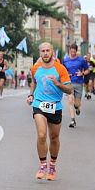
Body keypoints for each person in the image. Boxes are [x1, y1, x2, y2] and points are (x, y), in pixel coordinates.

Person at [26, 42, 72, 181]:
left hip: (55, 106)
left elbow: (69, 89)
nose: (45, 53)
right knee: (41, 135)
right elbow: (34, 81)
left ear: (52, 52)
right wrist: (31, 95)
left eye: (48, 51)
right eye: (43, 51)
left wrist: (58, 84)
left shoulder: (60, 69)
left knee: (54, 137)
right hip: (39, 104)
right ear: (40, 53)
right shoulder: (35, 68)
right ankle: (42, 165)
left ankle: (52, 165)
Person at [62, 43, 89, 128]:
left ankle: (77, 108)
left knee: (76, 104)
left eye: (74, 51)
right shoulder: (65, 60)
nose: (72, 52)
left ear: (76, 51)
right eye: (71, 51)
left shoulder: (81, 60)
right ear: (69, 50)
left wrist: (82, 73)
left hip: (79, 83)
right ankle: (72, 120)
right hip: (69, 83)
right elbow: (62, 71)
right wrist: (66, 75)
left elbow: (88, 70)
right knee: (70, 101)